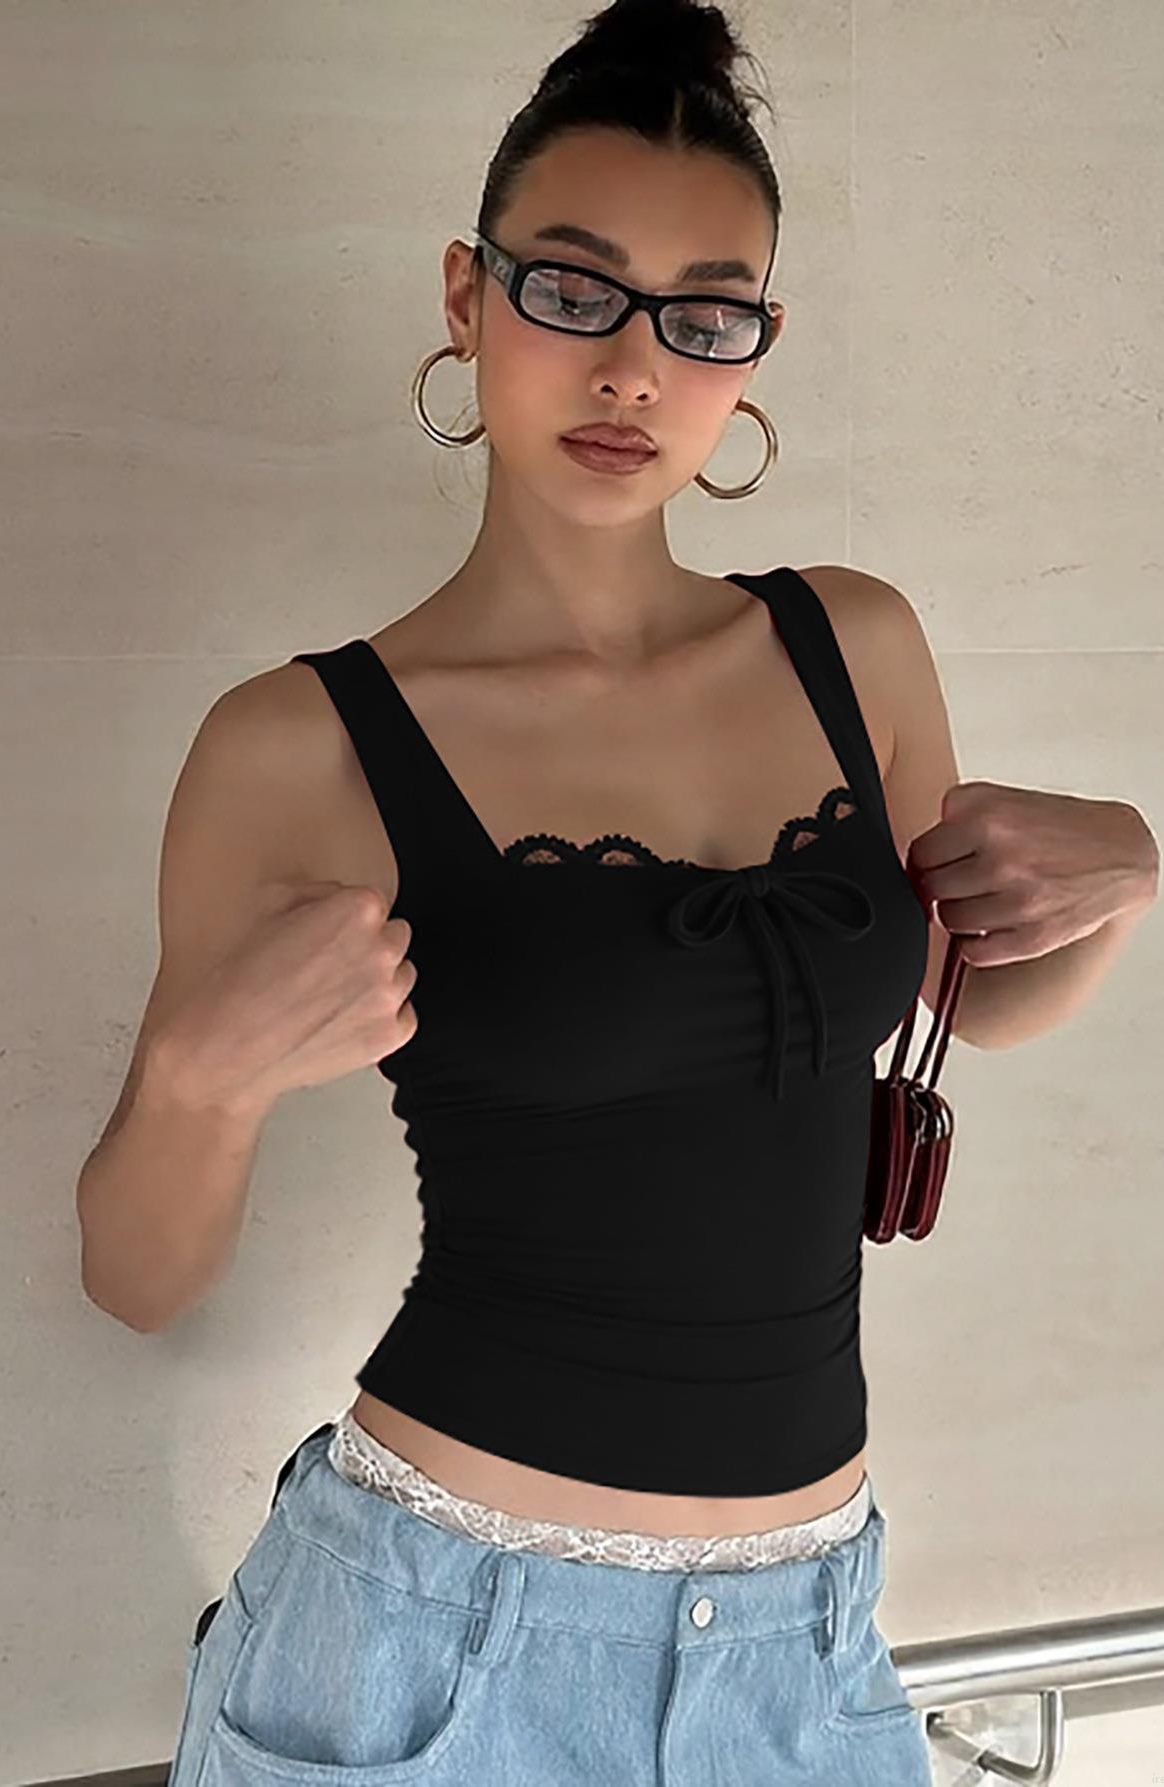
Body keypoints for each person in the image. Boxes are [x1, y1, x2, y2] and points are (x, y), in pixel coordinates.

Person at [152, 1, 937, 1779]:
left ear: (756, 347)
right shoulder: (302, 745)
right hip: (428, 1647)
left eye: (703, 315)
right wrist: (204, 1082)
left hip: (807, 1650)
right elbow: (140, 1275)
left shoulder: (858, 646)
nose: (634, 370)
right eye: (573, 290)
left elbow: (975, 988)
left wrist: (1120, 882)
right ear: (466, 295)